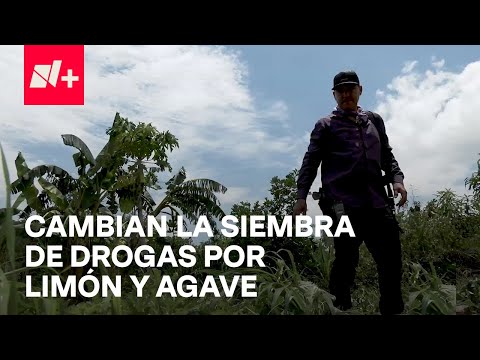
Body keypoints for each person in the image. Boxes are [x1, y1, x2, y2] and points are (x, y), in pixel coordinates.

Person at [293, 70, 408, 315]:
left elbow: (387, 155)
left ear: (359, 90)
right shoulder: (326, 125)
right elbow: (311, 160)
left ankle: (392, 311)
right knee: (345, 263)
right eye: (341, 91)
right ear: (334, 95)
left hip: (377, 203)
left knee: (391, 262)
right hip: (342, 206)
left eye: (350, 89)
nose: (346, 94)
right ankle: (341, 310)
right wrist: (301, 196)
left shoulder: (374, 120)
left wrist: (397, 180)